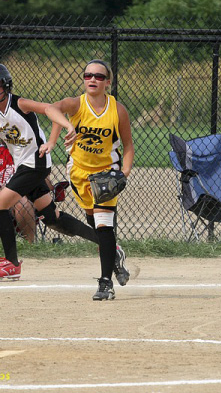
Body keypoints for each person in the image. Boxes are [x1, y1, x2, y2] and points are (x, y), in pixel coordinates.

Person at [0, 62, 128, 283]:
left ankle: (11, 264)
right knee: (53, 218)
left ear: (5, 85)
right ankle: (107, 244)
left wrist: (68, 126)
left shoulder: (19, 103)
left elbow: (50, 108)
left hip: (36, 162)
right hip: (21, 164)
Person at [44, 59, 135, 301]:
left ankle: (106, 283)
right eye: (88, 75)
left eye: (98, 76)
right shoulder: (77, 104)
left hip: (106, 174)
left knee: (105, 227)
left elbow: (128, 145)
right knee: (96, 227)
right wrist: (57, 136)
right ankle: (114, 255)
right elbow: (52, 109)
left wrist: (123, 173)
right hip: (79, 173)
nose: (92, 79)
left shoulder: (118, 110)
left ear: (108, 82)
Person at [0, 143, 36, 243]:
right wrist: (2, 191)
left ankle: (29, 244)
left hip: (24, 196)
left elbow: (45, 186)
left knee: (22, 201)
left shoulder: (30, 155)